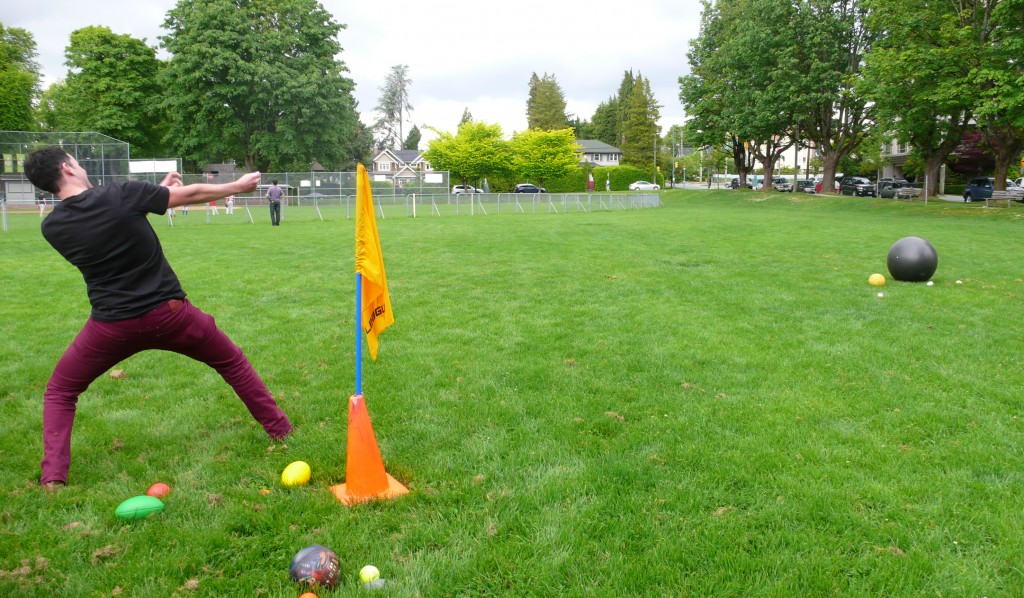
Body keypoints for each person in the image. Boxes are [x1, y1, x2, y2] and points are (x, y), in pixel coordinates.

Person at [24, 147, 293, 488]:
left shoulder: (54, 227)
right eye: (76, 161)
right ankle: (281, 431)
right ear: (67, 167)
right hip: (170, 315)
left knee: (60, 391)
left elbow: (109, 222)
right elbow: (190, 193)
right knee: (232, 362)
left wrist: (158, 192)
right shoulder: (122, 194)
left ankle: (53, 479)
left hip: (111, 326)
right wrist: (237, 187)